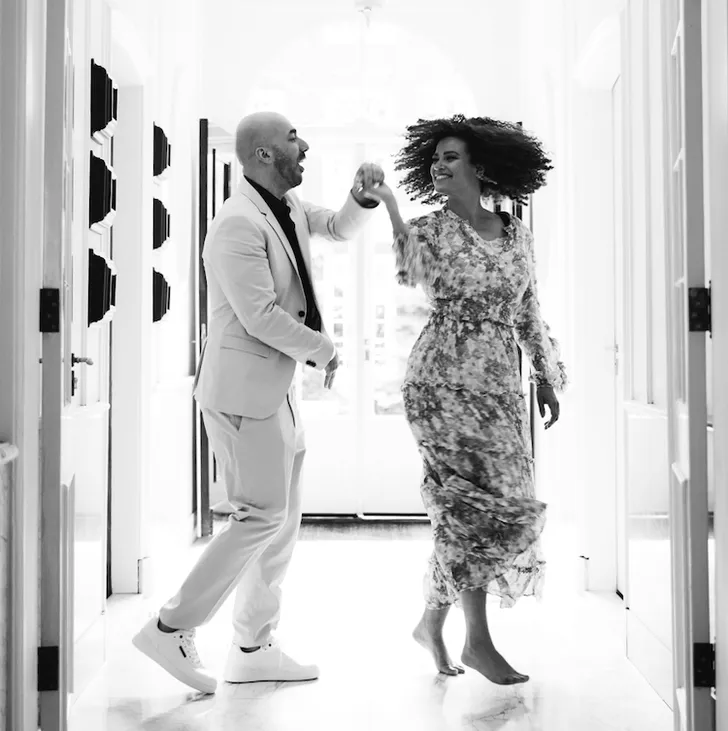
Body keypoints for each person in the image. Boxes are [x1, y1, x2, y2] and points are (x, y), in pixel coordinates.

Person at [132, 111, 384, 693]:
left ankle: (254, 646)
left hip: (276, 392)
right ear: (265, 154)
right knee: (259, 517)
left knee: (280, 522)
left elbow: (335, 226)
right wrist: (324, 350)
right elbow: (261, 316)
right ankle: (171, 626)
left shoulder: (285, 205)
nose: (305, 145)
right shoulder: (235, 225)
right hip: (242, 395)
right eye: (294, 138)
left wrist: (361, 199)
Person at [365, 115, 566, 685]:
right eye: (435, 159)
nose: (439, 165)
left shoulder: (516, 233)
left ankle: (431, 623)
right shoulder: (430, 230)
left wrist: (545, 374)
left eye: (450, 157)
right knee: (466, 507)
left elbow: (527, 310)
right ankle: (478, 641)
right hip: (441, 384)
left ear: (480, 167)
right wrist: (390, 204)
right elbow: (409, 271)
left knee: (505, 503)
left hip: (499, 387)